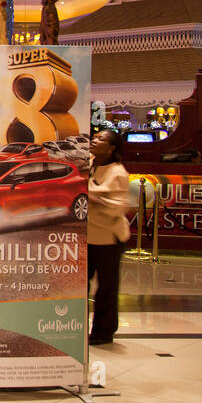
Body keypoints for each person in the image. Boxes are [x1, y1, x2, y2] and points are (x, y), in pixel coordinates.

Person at [87, 129, 132, 346]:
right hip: (86, 235)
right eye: (95, 137)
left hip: (108, 238)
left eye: (101, 139)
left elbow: (119, 207)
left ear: (112, 148)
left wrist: (95, 198)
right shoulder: (88, 163)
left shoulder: (118, 173)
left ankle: (103, 332)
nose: (94, 140)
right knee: (80, 285)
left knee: (106, 287)